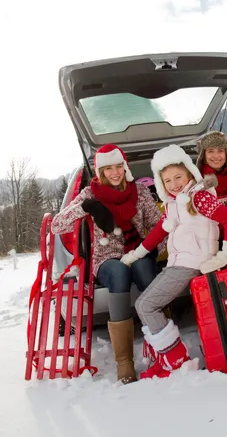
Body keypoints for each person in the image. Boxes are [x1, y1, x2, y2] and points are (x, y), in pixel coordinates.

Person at [120, 144, 227, 380]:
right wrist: (136, 254)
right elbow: (158, 233)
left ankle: (175, 361)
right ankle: (168, 358)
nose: (174, 184)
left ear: (189, 174)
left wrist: (223, 256)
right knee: (146, 304)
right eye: (167, 181)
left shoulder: (198, 198)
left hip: (193, 262)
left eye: (178, 177)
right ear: (161, 184)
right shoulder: (175, 203)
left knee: (146, 305)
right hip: (179, 262)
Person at [51, 143, 163, 385]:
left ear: (125, 167)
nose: (115, 173)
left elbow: (159, 225)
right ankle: (124, 362)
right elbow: (57, 225)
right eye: (108, 169)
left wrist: (153, 249)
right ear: (100, 172)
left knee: (144, 267)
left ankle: (162, 346)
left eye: (118, 167)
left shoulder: (140, 192)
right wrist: (84, 207)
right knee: (120, 271)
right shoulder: (90, 194)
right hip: (106, 259)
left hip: (138, 252)